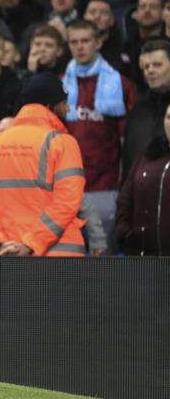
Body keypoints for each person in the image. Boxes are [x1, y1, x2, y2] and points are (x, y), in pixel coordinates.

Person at [0, 72, 87, 257]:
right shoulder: (63, 143)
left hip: (8, 259)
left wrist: (1, 242)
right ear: (50, 105)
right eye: (64, 102)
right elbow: (67, 203)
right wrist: (31, 244)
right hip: (60, 259)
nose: (68, 109)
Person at [63, 19, 136, 249]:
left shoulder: (120, 85)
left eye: (85, 40)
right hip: (66, 188)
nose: (80, 47)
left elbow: (128, 142)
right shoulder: (59, 86)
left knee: (102, 264)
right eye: (74, 42)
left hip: (105, 187)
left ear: (98, 42)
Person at [115, 102, 170, 256]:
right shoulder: (148, 157)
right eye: (168, 117)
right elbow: (125, 199)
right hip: (142, 258)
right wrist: (124, 231)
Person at [123, 39, 170, 177]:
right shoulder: (138, 110)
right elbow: (130, 157)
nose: (150, 71)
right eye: (146, 67)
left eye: (157, 65)